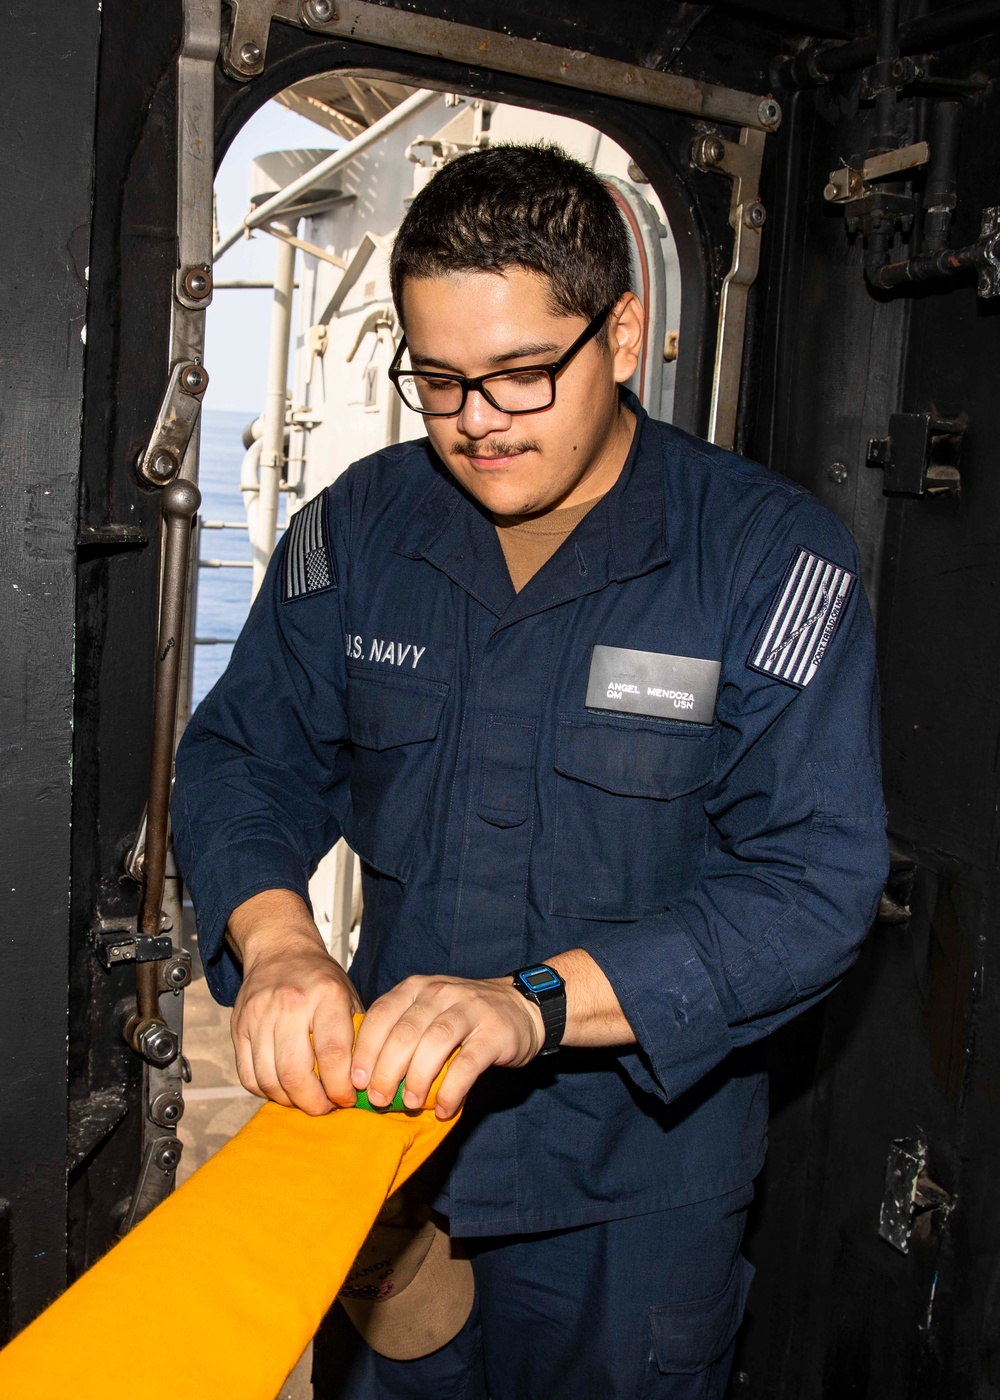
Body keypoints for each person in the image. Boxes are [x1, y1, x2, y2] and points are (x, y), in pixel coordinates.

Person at [172, 142, 888, 1398]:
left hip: (632, 1195)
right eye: (438, 381)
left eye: (519, 375)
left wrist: (534, 1001)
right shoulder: (357, 528)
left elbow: (811, 884)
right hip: (395, 1158)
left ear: (620, 332)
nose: (477, 424)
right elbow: (243, 758)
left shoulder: (770, 560)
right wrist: (278, 940)